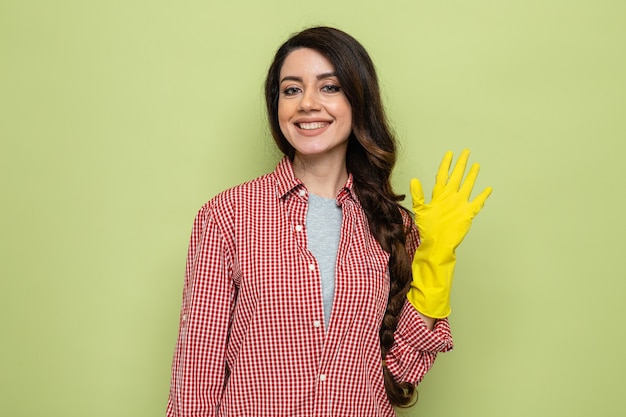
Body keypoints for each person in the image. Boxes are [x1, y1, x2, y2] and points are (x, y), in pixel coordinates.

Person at [166, 26, 491, 417]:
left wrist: (435, 260)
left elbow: (397, 372)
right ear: (277, 107)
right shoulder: (228, 215)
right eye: (291, 89)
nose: (307, 103)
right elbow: (196, 373)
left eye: (329, 87)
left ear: (358, 101)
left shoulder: (392, 225)